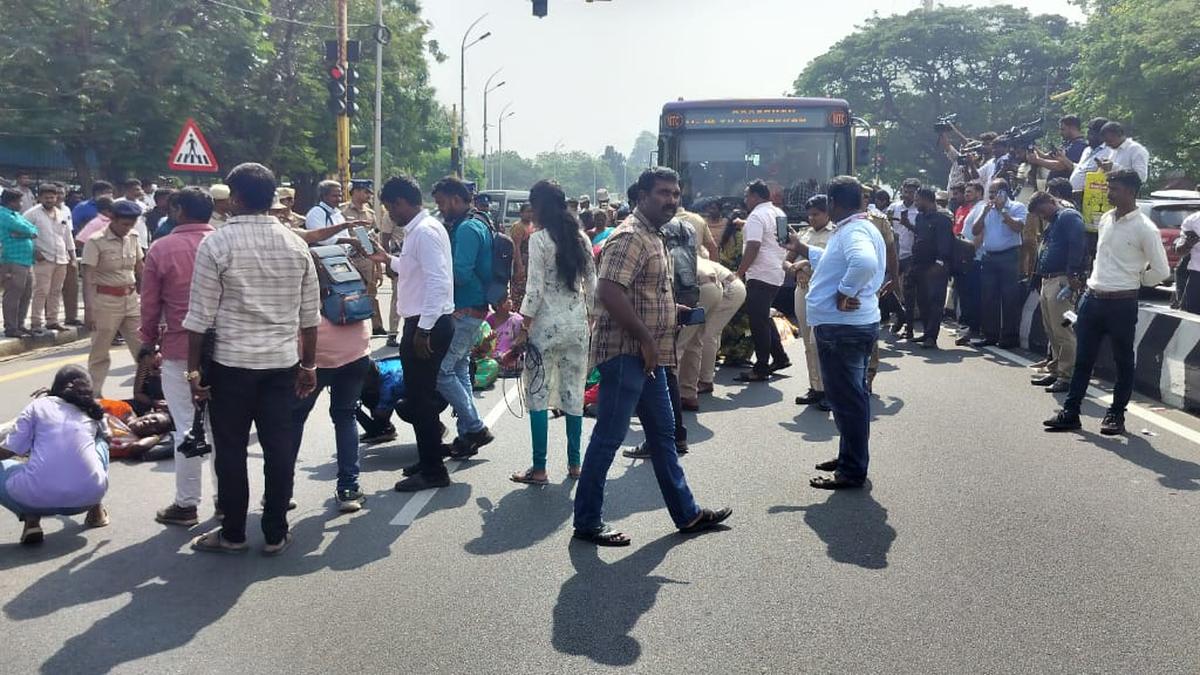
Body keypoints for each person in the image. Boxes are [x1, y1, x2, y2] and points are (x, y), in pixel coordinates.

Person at [572, 167, 731, 547]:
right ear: (641, 195)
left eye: (676, 193)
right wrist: (645, 336)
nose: (671, 200)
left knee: (663, 437)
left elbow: (639, 292)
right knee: (609, 437)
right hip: (629, 354)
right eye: (663, 192)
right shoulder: (629, 236)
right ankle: (587, 521)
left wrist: (668, 308)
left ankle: (687, 514)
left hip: (650, 357)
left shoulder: (654, 235)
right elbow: (609, 292)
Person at [183, 162, 319, 555]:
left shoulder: (217, 244)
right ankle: (275, 531)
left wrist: (194, 371)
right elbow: (309, 318)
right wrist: (308, 366)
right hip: (282, 365)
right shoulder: (296, 244)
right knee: (279, 449)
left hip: (230, 366)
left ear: (237, 198)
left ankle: (234, 533)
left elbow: (199, 317)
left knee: (230, 450)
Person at [1044, 169, 1169, 435]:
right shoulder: (1106, 219)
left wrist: (1136, 279)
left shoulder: (1145, 228)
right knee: (1084, 359)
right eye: (1109, 188)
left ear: (1131, 192)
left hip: (1122, 303)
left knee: (1122, 361)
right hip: (1093, 298)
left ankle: (1116, 415)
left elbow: (1162, 271)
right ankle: (1071, 411)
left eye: (1115, 189)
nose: (1109, 193)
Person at [788, 176, 886, 489]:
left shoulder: (854, 230)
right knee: (851, 398)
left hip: (843, 330)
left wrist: (844, 291)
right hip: (847, 328)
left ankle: (853, 469)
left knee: (847, 401)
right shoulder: (857, 227)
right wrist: (803, 249)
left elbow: (863, 262)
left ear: (833, 203)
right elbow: (837, 260)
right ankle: (850, 456)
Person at [363, 176, 455, 491]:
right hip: (424, 320)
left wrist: (424, 330)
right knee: (420, 398)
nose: (390, 214)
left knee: (421, 399)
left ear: (403, 202)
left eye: (390, 207)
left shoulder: (425, 231)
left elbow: (437, 281)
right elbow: (414, 269)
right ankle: (429, 460)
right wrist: (386, 259)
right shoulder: (420, 230)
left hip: (428, 322)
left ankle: (433, 470)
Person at [138, 187, 216, 527]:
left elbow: (150, 304)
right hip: (225, 351)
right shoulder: (223, 242)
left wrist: (147, 342)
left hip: (180, 353)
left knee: (186, 426)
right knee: (222, 429)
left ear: (178, 210)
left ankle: (186, 505)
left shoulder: (162, 247)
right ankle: (226, 501)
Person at [509, 180, 596, 485]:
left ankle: (540, 468)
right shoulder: (582, 239)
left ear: (540, 206)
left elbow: (534, 291)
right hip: (577, 327)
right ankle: (575, 465)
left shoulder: (539, 240)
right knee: (574, 395)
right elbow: (593, 286)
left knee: (538, 394)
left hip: (545, 328)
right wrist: (591, 319)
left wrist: (523, 329)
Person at [0, 365, 110, 545]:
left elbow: (8, 452)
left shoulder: (38, 405)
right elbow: (108, 438)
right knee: (101, 443)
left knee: (16, 468)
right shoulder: (93, 408)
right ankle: (96, 510)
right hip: (87, 498)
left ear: (55, 387)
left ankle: (32, 519)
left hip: (36, 499)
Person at [431, 176, 495, 460]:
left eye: (442, 203)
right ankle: (466, 435)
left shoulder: (467, 228)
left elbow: (460, 273)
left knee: (441, 373)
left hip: (466, 308)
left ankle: (475, 427)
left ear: (456, 199)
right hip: (472, 307)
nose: (441, 209)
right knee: (458, 369)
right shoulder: (477, 222)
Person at [290, 313, 371, 512]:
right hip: (355, 348)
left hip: (311, 355)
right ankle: (348, 489)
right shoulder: (347, 278)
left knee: (292, 420)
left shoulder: (302, 279)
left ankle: (280, 490)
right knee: (345, 416)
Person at [82, 200, 144, 396]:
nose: (128, 228)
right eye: (124, 224)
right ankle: (94, 395)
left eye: (131, 224)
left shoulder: (133, 237)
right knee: (100, 351)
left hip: (131, 299)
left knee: (143, 349)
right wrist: (89, 310)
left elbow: (140, 268)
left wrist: (147, 297)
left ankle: (148, 391)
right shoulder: (95, 241)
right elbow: (88, 279)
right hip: (105, 300)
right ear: (113, 219)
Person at [1027, 190, 1086, 394]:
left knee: (1064, 329)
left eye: (1042, 210)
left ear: (1051, 201)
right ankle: (1055, 369)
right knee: (1051, 329)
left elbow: (1077, 245)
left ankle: (1066, 375)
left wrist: (1073, 275)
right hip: (1049, 280)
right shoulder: (1054, 221)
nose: (1042, 216)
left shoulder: (1068, 216)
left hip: (1062, 282)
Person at [735, 179, 790, 382]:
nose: (745, 200)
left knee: (758, 322)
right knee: (763, 317)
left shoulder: (757, 215)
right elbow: (784, 242)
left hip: (760, 274)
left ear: (756, 196)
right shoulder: (779, 213)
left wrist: (740, 272)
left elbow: (754, 246)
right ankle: (780, 357)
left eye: (746, 195)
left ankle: (760, 367)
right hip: (776, 272)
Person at [970, 178, 1027, 348]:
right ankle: (990, 335)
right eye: (990, 193)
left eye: (994, 193)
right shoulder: (985, 209)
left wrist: (1003, 211)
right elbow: (975, 230)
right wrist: (985, 213)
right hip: (989, 256)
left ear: (1003, 192)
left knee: (1009, 298)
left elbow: (1018, 228)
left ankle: (1009, 336)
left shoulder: (1017, 207)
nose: (991, 196)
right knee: (988, 297)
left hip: (1009, 256)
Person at [791, 195, 836, 409]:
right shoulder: (803, 234)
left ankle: (830, 390)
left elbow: (832, 262)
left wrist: (806, 264)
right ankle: (815, 387)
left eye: (816, 214)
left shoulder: (836, 234)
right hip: (802, 290)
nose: (812, 219)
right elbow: (786, 261)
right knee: (808, 342)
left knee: (822, 343)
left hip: (824, 292)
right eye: (809, 215)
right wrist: (796, 269)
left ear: (827, 213)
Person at [25, 183, 76, 335]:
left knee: (56, 291)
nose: (49, 199)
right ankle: (36, 322)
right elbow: (23, 233)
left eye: (52, 197)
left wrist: (72, 257)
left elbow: (67, 237)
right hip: (43, 258)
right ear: (40, 198)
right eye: (46, 197)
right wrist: (34, 250)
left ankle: (52, 321)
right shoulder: (32, 214)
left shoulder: (62, 213)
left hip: (61, 257)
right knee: (41, 291)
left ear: (57, 197)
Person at [910, 187, 955, 348]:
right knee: (923, 301)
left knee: (935, 302)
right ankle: (926, 333)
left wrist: (940, 263)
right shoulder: (920, 219)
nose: (915, 203)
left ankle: (932, 337)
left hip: (936, 268)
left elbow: (945, 244)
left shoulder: (942, 220)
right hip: (920, 266)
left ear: (926, 199)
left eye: (917, 200)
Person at [340, 180, 385, 336]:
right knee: (349, 295)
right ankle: (351, 325)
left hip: (367, 260)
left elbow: (375, 242)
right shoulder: (342, 212)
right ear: (356, 191)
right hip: (348, 261)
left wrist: (379, 268)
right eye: (365, 192)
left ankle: (377, 326)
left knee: (371, 294)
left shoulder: (370, 214)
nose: (368, 196)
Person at [697, 256, 746, 394]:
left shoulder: (683, 260)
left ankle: (705, 380)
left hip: (729, 289)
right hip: (733, 286)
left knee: (707, 334)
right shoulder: (696, 258)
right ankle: (705, 374)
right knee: (713, 332)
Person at [1, 188, 39, 338]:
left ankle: (20, 324)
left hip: (26, 260)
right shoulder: (3, 215)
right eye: (19, 201)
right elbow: (25, 228)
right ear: (11, 202)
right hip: (12, 259)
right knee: (13, 294)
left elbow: (33, 229)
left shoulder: (16, 215)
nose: (21, 204)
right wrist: (27, 233)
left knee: (26, 293)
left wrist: (25, 233)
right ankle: (10, 327)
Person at [887, 178, 921, 340]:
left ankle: (909, 326)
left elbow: (922, 233)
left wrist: (908, 224)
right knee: (887, 287)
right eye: (906, 191)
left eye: (912, 192)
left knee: (909, 291)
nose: (908, 195)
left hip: (911, 255)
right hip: (893, 253)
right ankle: (899, 314)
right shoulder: (894, 207)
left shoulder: (919, 210)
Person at [953, 181, 986, 345]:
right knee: (965, 295)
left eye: (970, 191)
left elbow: (980, 233)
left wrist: (970, 253)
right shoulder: (972, 209)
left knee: (970, 296)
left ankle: (970, 330)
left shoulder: (981, 208)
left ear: (980, 193)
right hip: (964, 256)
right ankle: (967, 329)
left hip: (973, 257)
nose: (966, 194)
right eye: (965, 191)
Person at [1028, 115, 1089, 182]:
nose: (1060, 132)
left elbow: (1061, 166)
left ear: (1072, 128)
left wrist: (1037, 160)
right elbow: (1046, 156)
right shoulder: (1067, 143)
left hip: (1064, 188)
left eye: (1063, 129)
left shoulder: (1080, 145)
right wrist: (1031, 146)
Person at [508, 202, 535, 311]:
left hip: (531, 262)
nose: (530, 214)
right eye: (528, 211)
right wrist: (519, 266)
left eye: (532, 212)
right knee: (519, 293)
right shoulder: (518, 227)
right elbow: (516, 248)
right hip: (522, 262)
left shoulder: (532, 226)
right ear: (521, 213)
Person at [305, 180, 347, 245]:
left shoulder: (338, 214)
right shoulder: (316, 212)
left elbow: (345, 236)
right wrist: (350, 241)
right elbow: (320, 238)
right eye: (334, 196)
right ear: (324, 196)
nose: (338, 199)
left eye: (340, 196)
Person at [1176, 210, 1200, 314]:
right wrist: (1188, 244)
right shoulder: (1193, 220)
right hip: (1197, 276)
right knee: (1190, 319)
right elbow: (1179, 251)